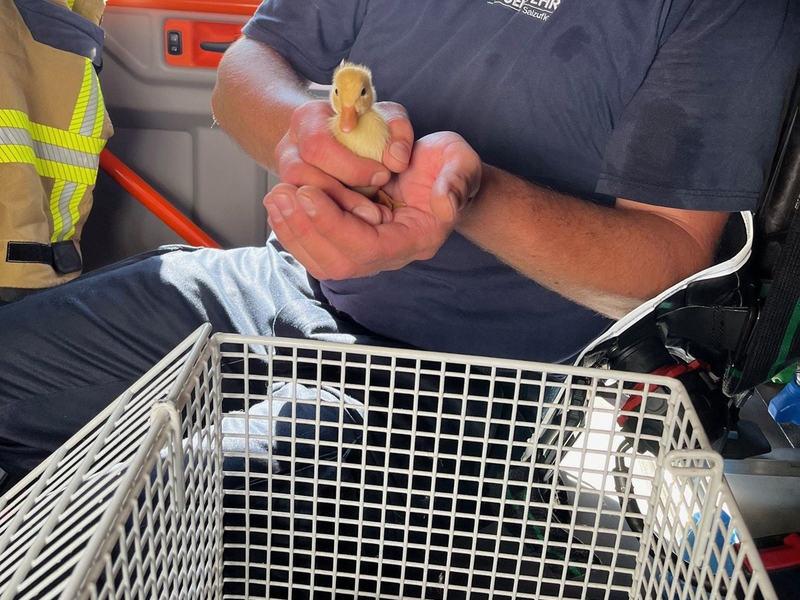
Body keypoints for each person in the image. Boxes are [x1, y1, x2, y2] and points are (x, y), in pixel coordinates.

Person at [0, 0, 797, 494]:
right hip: (283, 286)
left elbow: (670, 259)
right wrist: (295, 129)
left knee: (139, 513)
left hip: (484, 389)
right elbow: (244, 70)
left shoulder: (733, 11)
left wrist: (468, 195)